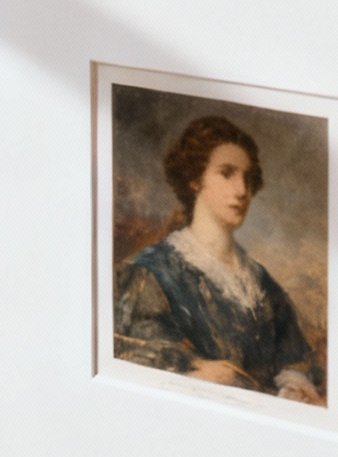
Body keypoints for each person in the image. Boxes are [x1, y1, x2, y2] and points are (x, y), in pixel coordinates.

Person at [114, 113, 323, 402]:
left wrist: (295, 384)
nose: (242, 190)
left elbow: (295, 358)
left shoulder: (259, 281)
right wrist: (195, 371)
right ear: (194, 180)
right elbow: (131, 362)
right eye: (227, 173)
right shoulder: (152, 271)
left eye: (248, 178)